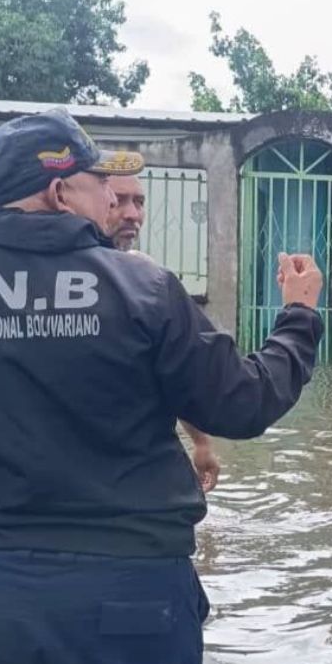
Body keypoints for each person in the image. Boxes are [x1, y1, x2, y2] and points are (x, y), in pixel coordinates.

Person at [0, 108, 325, 664]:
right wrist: (300, 317)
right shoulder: (141, 288)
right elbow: (244, 404)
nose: (111, 199)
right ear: (58, 191)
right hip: (129, 591)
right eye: (100, 183)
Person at [105, 171, 220, 492]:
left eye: (139, 202)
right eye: (117, 201)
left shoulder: (148, 280)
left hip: (137, 474)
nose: (133, 214)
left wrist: (201, 442)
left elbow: (177, 372)